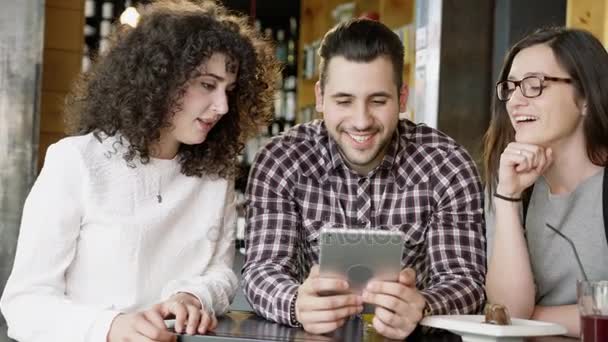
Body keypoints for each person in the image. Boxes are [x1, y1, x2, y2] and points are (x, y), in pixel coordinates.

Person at [0, 1, 278, 341]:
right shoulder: (76, 162)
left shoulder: (215, 175)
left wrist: (194, 296)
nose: (222, 106)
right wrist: (111, 327)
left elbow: (220, 273)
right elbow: (24, 305)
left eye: (229, 91)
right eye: (207, 84)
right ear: (159, 78)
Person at [242, 18, 486, 340]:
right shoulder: (282, 160)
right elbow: (262, 270)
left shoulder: (447, 164)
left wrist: (424, 305)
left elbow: (465, 279)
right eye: (344, 101)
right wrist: (295, 303)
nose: (361, 121)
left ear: (401, 98)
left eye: (378, 101)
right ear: (320, 97)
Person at [483, 27, 608, 337]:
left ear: (586, 98)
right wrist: (509, 198)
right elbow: (507, 311)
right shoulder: (506, 183)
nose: (514, 102)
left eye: (534, 85)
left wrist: (534, 317)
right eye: (510, 88)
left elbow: (512, 320)